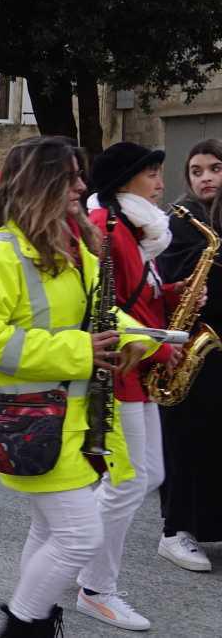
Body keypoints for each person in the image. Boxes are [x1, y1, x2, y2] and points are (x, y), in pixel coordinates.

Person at [0, 136, 155, 637]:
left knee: (51, 531)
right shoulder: (0, 253)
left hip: (69, 418)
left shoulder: (72, 246)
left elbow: (100, 313)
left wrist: (139, 338)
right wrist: (82, 351)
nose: (82, 186)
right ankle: (23, 627)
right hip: (31, 418)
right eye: (71, 176)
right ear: (39, 183)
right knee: (79, 535)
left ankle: (36, 621)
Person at [76, 141, 182, 630]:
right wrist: (160, 348)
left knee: (148, 475)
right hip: (119, 370)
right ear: (125, 180)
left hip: (136, 369)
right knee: (126, 482)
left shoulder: (136, 229)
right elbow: (103, 309)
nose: (160, 183)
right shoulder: (107, 226)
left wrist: (175, 293)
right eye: (152, 174)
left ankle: (77, 557)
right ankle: (95, 586)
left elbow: (138, 297)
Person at [154, 138, 222, 573]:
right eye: (196, 171)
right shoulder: (183, 222)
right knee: (187, 440)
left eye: (214, 168)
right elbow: (169, 278)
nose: (206, 178)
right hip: (193, 349)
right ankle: (175, 530)